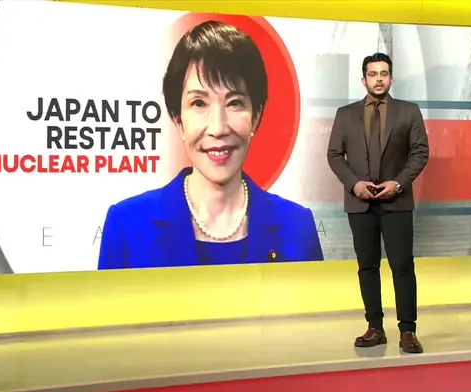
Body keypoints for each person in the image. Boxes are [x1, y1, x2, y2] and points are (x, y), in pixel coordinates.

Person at [97, 21, 323, 270]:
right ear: (178, 120)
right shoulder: (126, 226)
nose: (218, 128)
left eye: (234, 102)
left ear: (255, 117)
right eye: (199, 103)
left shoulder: (298, 226)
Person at [326, 53, 429, 354]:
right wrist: (354, 184)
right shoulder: (345, 114)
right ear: (364, 80)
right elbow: (334, 155)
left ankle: (408, 331)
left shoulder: (408, 111)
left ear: (391, 79)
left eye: (384, 73)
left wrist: (397, 184)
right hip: (360, 203)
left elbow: (420, 153)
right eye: (373, 74)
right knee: (367, 266)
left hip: (397, 201)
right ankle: (375, 328)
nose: (379, 79)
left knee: (402, 267)